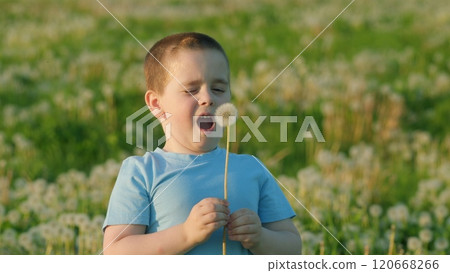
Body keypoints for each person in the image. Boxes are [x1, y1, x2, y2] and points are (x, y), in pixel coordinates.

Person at [102, 32, 302, 254]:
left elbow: (292, 247)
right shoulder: (143, 172)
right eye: (191, 90)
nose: (208, 98)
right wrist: (186, 234)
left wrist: (261, 238)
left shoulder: (252, 168)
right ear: (157, 104)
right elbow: (115, 252)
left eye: (218, 89)